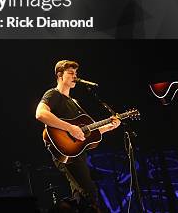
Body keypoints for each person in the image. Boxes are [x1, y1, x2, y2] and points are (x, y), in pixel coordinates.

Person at [35, 60, 121, 212]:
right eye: (70, 73)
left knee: (80, 198)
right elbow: (40, 114)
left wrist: (109, 127)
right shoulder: (53, 94)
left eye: (76, 73)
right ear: (59, 75)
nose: (75, 76)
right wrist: (70, 128)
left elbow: (85, 133)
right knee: (89, 192)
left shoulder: (74, 102)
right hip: (65, 151)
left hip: (77, 152)